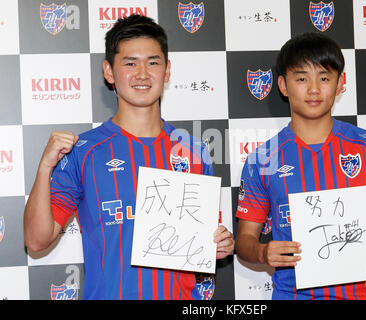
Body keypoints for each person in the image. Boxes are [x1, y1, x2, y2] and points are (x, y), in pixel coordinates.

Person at [23, 14, 234, 300]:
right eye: (130, 63)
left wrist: (220, 242)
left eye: (153, 62)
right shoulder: (84, 151)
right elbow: (36, 240)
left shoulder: (193, 151)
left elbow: (208, 237)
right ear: (109, 72)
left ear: (167, 70)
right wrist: (45, 168)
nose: (143, 74)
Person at [235, 32, 366, 300]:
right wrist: (261, 252)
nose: (314, 89)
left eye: (324, 78)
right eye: (301, 78)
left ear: (341, 83)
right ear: (283, 85)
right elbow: (245, 239)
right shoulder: (262, 159)